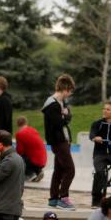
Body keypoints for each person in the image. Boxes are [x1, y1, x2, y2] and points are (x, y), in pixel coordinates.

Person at [42, 73, 76, 210]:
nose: (69, 94)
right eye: (70, 91)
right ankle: (63, 198)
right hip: (58, 141)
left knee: (59, 170)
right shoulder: (52, 104)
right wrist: (65, 115)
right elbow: (58, 123)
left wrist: (66, 115)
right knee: (70, 169)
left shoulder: (61, 103)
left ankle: (53, 198)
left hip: (63, 140)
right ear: (66, 89)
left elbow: (67, 117)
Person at [15, 115, 47, 182]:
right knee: (32, 154)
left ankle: (29, 174)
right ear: (26, 122)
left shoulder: (19, 134)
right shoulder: (33, 130)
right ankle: (38, 171)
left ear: (17, 124)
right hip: (43, 160)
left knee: (17, 157)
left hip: (34, 161)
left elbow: (19, 151)